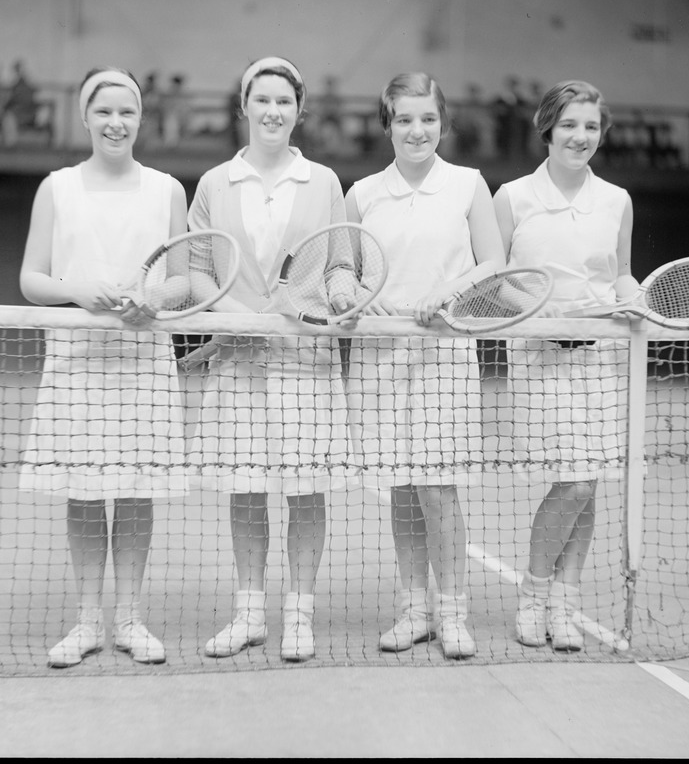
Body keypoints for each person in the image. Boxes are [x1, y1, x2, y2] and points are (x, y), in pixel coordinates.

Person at [19, 66, 188, 668]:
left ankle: (130, 619)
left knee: (137, 492)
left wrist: (155, 298)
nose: (116, 123)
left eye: (127, 112)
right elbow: (31, 279)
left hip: (143, 359)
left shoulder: (167, 188)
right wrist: (78, 288)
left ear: (141, 119)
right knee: (85, 494)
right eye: (104, 112)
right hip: (77, 362)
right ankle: (88, 620)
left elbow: (187, 278)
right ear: (86, 117)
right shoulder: (57, 187)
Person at [189, 56, 351, 663]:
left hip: (305, 361)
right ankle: (250, 612)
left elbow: (339, 262)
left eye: (284, 101)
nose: (273, 111)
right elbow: (200, 274)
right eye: (262, 100)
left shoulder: (325, 182)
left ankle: (299, 615)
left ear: (298, 110)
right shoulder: (213, 185)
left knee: (306, 491)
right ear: (245, 107)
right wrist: (231, 315)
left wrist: (338, 292)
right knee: (246, 489)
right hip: (240, 364)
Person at [345, 73, 505, 659]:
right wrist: (364, 296)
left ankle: (453, 613)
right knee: (402, 490)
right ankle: (415, 608)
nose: (418, 130)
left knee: (440, 488)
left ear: (442, 123)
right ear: (387, 124)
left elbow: (492, 262)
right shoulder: (361, 194)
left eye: (428, 119)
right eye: (405, 119)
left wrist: (451, 292)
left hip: (445, 355)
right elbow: (346, 273)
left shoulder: (467, 185)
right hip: (381, 359)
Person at [493, 80, 639, 651]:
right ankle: (534, 594)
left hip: (602, 358)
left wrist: (632, 295)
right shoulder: (512, 198)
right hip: (540, 357)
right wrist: (543, 311)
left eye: (592, 127)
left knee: (590, 482)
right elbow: (493, 282)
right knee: (574, 481)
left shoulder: (618, 200)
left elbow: (621, 270)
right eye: (571, 125)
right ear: (548, 128)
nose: (581, 137)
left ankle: (564, 605)